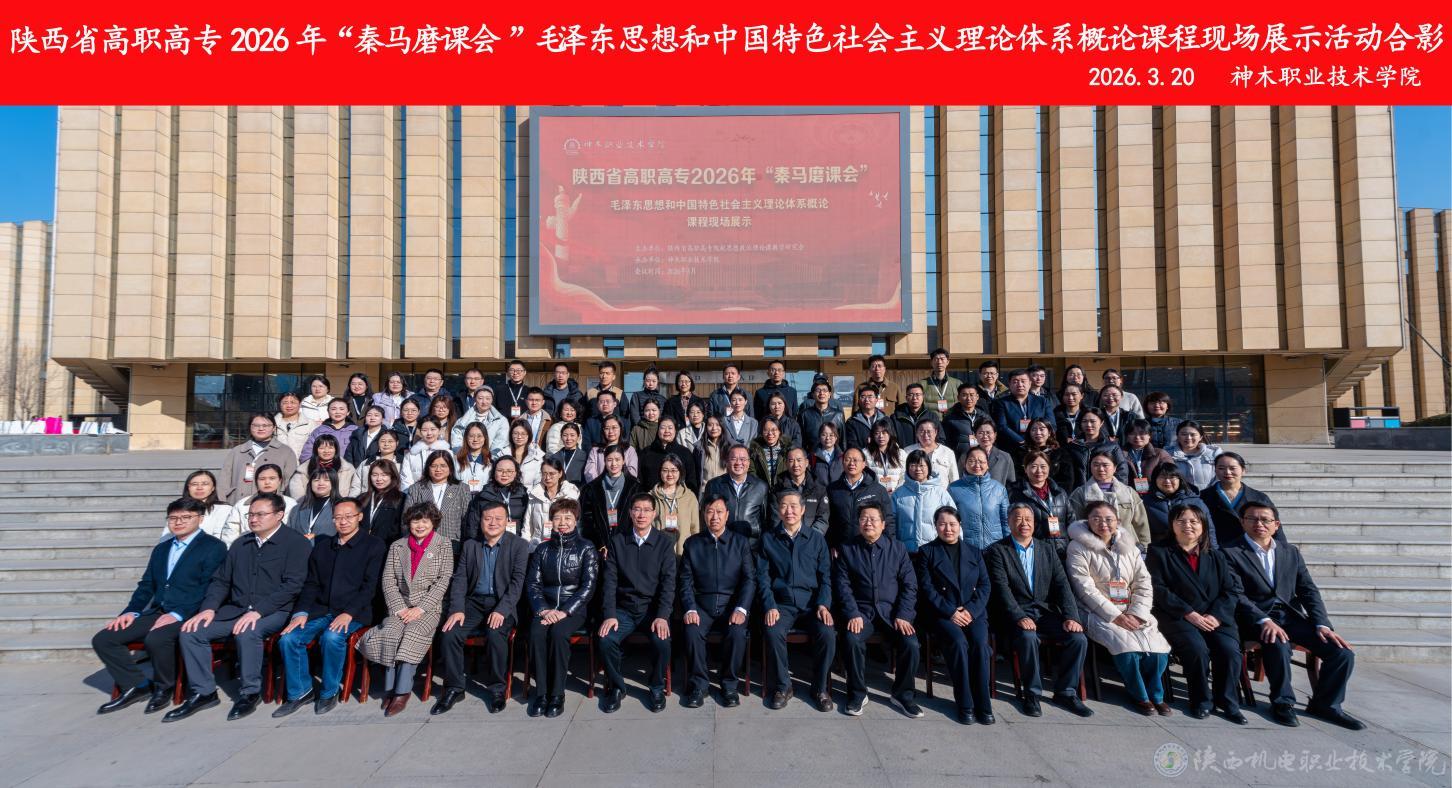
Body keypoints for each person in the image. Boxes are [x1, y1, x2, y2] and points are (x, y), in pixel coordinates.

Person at [165, 492, 310, 723]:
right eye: (250, 514)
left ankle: (250, 692)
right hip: (236, 609)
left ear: (279, 515)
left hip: (275, 611)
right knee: (191, 631)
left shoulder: (296, 543)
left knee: (248, 631)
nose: (253, 519)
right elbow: (221, 581)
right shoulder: (241, 544)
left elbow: (292, 586)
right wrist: (209, 608)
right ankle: (204, 692)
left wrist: (258, 611)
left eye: (260, 514)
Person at [1224, 502, 1363, 729]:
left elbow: (1308, 590)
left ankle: (1326, 705)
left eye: (1265, 519)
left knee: (1341, 652)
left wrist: (1322, 624)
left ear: (1276, 525)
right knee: (1277, 643)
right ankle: (1282, 703)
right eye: (1252, 518)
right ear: (1242, 522)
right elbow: (1235, 593)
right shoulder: (1229, 552)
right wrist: (1264, 620)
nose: (1259, 523)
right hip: (1253, 617)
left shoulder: (1290, 552)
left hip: (1290, 616)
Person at [93, 498, 228, 716]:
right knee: (104, 639)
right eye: (173, 518)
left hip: (192, 613)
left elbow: (209, 586)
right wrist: (130, 612)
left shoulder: (213, 547)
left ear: (200, 519)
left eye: (186, 517)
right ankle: (135, 685)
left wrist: (178, 614)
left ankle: (164, 687)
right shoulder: (162, 549)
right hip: (159, 610)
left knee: (157, 638)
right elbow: (146, 585)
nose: (178, 522)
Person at [273, 498, 387, 717]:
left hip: (354, 612)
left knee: (332, 638)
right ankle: (300, 692)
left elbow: (370, 587)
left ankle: (329, 691)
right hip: (321, 610)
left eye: (348, 516)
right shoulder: (324, 546)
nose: (343, 522)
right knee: (288, 638)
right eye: (338, 517)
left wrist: (348, 613)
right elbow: (311, 584)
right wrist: (301, 613)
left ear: (359, 517)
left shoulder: (374, 545)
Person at [984, 505, 1093, 718]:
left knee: (1078, 638)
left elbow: (1062, 585)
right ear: (1008, 522)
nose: (1024, 523)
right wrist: (1019, 616)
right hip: (1014, 613)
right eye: (1018, 518)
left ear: (1035, 523)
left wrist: (1071, 616)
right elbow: (1001, 588)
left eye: (1028, 519)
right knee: (1028, 637)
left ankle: (1066, 692)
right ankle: (1032, 694)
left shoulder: (1047, 549)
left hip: (1044, 612)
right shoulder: (997, 550)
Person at [1065, 501, 1172, 716]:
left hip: (1132, 609)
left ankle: (1157, 695)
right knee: (1126, 647)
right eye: (1096, 519)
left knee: (1158, 648)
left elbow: (1143, 582)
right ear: (1087, 522)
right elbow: (1084, 588)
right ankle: (1140, 695)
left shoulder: (1129, 547)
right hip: (1097, 611)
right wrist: (1116, 616)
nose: (1103, 523)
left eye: (1108, 519)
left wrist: (1137, 613)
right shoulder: (1077, 547)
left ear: (1118, 521)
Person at [1145, 504, 1247, 723]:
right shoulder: (1158, 552)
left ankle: (1228, 702)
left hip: (1214, 617)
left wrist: (1215, 615)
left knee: (1229, 651)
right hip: (1177, 616)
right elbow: (1158, 588)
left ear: (1203, 525)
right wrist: (1189, 613)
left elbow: (1230, 590)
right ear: (1172, 525)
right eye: (1181, 521)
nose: (1187, 525)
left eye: (1194, 521)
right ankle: (1201, 700)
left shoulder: (1216, 555)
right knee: (1197, 649)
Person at [431, 500, 531, 716]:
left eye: (498, 518)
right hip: (474, 602)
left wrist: (501, 610)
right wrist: (457, 609)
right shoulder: (470, 545)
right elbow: (460, 580)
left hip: (502, 602)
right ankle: (455, 687)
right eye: (488, 518)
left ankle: (497, 689)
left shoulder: (519, 545)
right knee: (449, 633)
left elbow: (517, 583)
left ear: (507, 521)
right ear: (481, 521)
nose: (493, 522)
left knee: (495, 634)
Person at [358, 502, 455, 717]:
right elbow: (388, 580)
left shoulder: (443, 544)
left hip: (428, 609)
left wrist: (420, 608)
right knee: (390, 632)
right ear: (408, 523)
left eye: (425, 521)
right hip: (400, 607)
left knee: (412, 633)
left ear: (433, 522)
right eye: (415, 521)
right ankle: (390, 688)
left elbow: (443, 580)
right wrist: (400, 608)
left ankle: (402, 692)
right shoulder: (398, 546)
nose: (420, 525)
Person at [834, 501, 922, 718]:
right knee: (852, 639)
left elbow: (910, 585)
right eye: (863, 519)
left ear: (883, 524)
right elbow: (842, 586)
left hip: (892, 613)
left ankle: (903, 695)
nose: (868, 523)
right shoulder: (848, 549)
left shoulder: (897, 549)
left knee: (911, 643)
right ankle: (857, 693)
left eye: (873, 519)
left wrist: (904, 615)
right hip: (862, 613)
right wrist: (852, 613)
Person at [598, 493, 678, 713]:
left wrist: (662, 615)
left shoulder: (664, 543)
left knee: (662, 641)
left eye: (646, 510)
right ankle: (617, 687)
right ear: (630, 513)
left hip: (651, 610)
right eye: (637, 509)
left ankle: (656, 686)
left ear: (654, 514)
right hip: (623, 610)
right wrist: (610, 614)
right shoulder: (618, 541)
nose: (641, 514)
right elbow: (609, 582)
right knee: (606, 639)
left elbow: (668, 583)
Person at [756, 491, 835, 711]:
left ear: (802, 510)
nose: (789, 511)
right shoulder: (769, 539)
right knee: (772, 630)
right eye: (784, 506)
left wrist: (823, 605)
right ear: (778, 510)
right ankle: (783, 686)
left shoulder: (816, 539)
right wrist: (770, 605)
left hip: (811, 604)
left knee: (827, 633)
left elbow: (825, 577)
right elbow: (762, 578)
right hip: (782, 604)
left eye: (793, 506)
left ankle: (819, 688)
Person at [918, 506, 995, 725]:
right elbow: (927, 589)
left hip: (973, 613)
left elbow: (985, 586)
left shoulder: (974, 552)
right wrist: (951, 611)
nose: (948, 529)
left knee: (980, 645)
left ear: (960, 525)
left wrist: (970, 610)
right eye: (942, 524)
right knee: (959, 643)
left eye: (952, 524)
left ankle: (984, 705)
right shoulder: (927, 552)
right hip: (943, 613)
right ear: (935, 526)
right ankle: (965, 703)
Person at [679, 494, 756, 708]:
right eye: (710, 511)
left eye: (719, 511)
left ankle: (729, 685)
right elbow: (685, 581)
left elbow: (749, 579)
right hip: (702, 605)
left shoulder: (740, 543)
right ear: (704, 515)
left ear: (727, 515)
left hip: (731, 605)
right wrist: (690, 608)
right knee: (692, 630)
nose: (715, 516)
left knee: (737, 633)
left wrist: (741, 608)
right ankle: (699, 685)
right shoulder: (692, 544)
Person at [525, 498, 598, 717]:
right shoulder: (542, 549)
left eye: (568, 517)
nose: (562, 522)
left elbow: (588, 586)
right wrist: (543, 609)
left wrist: (564, 611)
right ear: (551, 521)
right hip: (546, 608)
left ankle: (557, 694)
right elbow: (533, 584)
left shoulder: (586, 548)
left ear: (576, 520)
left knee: (558, 634)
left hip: (573, 609)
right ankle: (541, 693)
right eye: (557, 518)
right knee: (536, 633)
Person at [1200, 451, 1282, 550]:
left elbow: (1273, 526)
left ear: (1243, 470)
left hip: (1250, 549)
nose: (1227, 472)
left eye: (1232, 468)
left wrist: (1282, 550)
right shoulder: (1203, 497)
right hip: (1215, 549)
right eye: (1221, 468)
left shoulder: (1258, 497)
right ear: (1215, 470)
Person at [1067, 450, 1152, 546]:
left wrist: (1144, 546)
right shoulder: (1080, 493)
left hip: (1128, 546)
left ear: (1115, 468)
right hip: (1094, 547)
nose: (1101, 469)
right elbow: (1076, 524)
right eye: (1096, 465)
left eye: (1105, 465)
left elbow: (1141, 523)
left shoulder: (1129, 492)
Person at [219, 412, 299, 504]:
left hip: (270, 505)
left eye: (265, 425)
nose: (261, 428)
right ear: (250, 427)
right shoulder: (237, 451)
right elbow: (223, 480)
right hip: (237, 502)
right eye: (256, 425)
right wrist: (223, 503)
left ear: (274, 428)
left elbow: (290, 482)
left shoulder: (285, 452)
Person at [825, 447, 896, 549]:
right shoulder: (833, 489)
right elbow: (829, 521)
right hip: (842, 548)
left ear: (864, 464)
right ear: (842, 463)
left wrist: (888, 546)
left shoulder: (877, 490)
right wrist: (832, 545)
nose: (851, 463)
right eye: (847, 459)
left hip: (871, 547)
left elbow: (888, 520)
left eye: (855, 460)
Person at [702, 444, 771, 546]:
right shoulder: (714, 485)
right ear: (727, 461)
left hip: (752, 545)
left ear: (748, 462)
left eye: (743, 459)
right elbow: (706, 516)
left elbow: (766, 520)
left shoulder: (760, 486)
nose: (738, 463)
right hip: (722, 544)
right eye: (733, 459)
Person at [1009, 451, 1072, 558]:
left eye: (1043, 466)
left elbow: (1071, 521)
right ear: (1025, 469)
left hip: (1061, 552)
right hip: (1033, 553)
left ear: (1049, 468)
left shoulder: (1060, 493)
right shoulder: (1016, 494)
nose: (1039, 471)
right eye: (1034, 466)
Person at [946, 446, 1010, 550]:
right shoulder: (954, 489)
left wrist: (1008, 547)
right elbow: (949, 520)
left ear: (987, 464)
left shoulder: (999, 489)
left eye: (981, 461)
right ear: (965, 464)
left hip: (996, 547)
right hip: (966, 547)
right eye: (972, 461)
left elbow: (1006, 521)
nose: (977, 465)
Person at [402, 450, 470, 543]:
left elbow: (467, 520)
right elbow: (406, 519)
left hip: (452, 542)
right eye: (433, 466)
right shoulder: (416, 489)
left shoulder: (462, 488)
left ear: (450, 468)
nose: (438, 469)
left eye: (443, 466)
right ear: (428, 468)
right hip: (421, 543)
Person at [580, 445, 641, 549]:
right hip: (599, 546)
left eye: (617, 459)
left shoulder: (635, 487)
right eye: (609, 460)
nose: (614, 464)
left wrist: (624, 543)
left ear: (623, 461)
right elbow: (588, 520)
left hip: (626, 545)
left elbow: (636, 517)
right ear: (604, 461)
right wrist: (601, 544)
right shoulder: (592, 488)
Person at [892, 450, 953, 552]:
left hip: (934, 551)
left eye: (921, 465)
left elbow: (953, 519)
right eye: (913, 465)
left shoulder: (940, 493)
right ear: (907, 468)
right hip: (906, 552)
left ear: (929, 467)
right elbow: (891, 523)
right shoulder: (898, 494)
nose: (918, 469)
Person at [1054, 409, 1128, 492]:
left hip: (1106, 492)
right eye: (1084, 421)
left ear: (1101, 423)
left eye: (1093, 421)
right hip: (1079, 493)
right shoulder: (1072, 447)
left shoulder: (1112, 447)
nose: (1088, 425)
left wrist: (1117, 491)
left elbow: (1122, 472)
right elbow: (1065, 475)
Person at [223, 463, 298, 541]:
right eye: (262, 479)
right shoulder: (242, 504)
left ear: (280, 481)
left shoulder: (291, 504)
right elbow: (230, 532)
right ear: (256, 481)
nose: (267, 482)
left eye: (272, 478)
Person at [1141, 465, 1209, 545]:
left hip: (1192, 547)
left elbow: (1208, 529)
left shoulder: (1194, 500)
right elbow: (1141, 529)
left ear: (1180, 479)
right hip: (1161, 548)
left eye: (1172, 477)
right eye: (1162, 477)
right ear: (1155, 479)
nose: (1167, 481)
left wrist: (1212, 550)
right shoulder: (1146, 502)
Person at [770, 446, 830, 536]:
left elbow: (822, 519)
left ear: (806, 462)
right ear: (786, 464)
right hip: (785, 539)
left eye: (799, 460)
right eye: (791, 461)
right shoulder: (778, 489)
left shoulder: (819, 489)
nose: (795, 464)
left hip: (812, 539)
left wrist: (810, 538)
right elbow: (776, 519)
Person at [523, 457, 580, 549]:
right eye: (544, 473)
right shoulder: (534, 494)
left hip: (564, 546)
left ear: (560, 474)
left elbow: (577, 523)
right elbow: (527, 525)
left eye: (552, 473)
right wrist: (526, 547)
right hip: (538, 547)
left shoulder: (570, 494)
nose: (547, 477)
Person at [994, 369, 1055, 453]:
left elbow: (1051, 424)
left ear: (1030, 383)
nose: (1020, 384)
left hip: (1040, 448)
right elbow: (1002, 426)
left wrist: (1038, 440)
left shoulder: (1042, 401)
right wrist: (1022, 442)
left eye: (1023, 381)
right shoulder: (1001, 403)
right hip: (1013, 448)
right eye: (1015, 382)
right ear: (1009, 384)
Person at [172, 469, 238, 546]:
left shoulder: (224, 509)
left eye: (205, 484)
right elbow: (168, 536)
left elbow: (225, 539)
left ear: (213, 488)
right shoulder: (178, 509)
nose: (199, 488)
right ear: (188, 488)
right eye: (194, 484)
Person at [650, 455, 700, 554]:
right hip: (658, 552)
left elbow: (695, 528)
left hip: (684, 553)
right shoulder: (651, 497)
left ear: (680, 472)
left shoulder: (689, 497)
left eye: (674, 470)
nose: (669, 474)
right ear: (660, 472)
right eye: (665, 470)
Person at [637, 416, 700, 494]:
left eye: (670, 428)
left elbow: (691, 480)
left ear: (675, 430)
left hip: (679, 498)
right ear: (658, 430)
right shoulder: (646, 452)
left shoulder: (685, 453)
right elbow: (640, 479)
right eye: (663, 428)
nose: (666, 431)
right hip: (651, 497)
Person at [473, 456, 531, 537]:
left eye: (509, 471)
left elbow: (528, 524)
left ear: (516, 473)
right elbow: (473, 524)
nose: (504, 474)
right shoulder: (484, 495)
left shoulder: (523, 494)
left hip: (515, 541)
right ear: (494, 472)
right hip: (489, 541)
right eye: (500, 470)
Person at [287, 433, 357, 500]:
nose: (326, 451)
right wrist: (305, 504)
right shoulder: (303, 470)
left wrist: (345, 503)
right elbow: (296, 491)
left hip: (340, 505)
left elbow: (354, 489)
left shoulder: (348, 469)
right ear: (316, 450)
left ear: (336, 450)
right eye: (322, 448)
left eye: (330, 448)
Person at [453, 386, 510, 456]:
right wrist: (462, 455)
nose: (484, 402)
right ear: (475, 399)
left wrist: (489, 457)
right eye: (480, 398)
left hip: (491, 458)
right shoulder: (463, 420)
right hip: (466, 457)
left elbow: (500, 442)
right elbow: (456, 439)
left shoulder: (501, 421)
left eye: (488, 398)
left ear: (492, 400)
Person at [360, 458, 406, 544]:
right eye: (374, 475)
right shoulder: (362, 498)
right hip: (363, 545)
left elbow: (401, 528)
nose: (379, 479)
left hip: (388, 546)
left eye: (384, 475)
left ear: (392, 476)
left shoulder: (401, 498)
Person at [299, 398, 359, 464]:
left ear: (348, 412)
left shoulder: (356, 430)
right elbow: (307, 453)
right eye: (333, 409)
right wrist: (316, 466)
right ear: (328, 412)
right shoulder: (319, 430)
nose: (337, 412)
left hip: (348, 468)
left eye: (341, 409)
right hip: (322, 468)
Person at [1120, 419, 1173, 495]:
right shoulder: (1119, 454)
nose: (1137, 437)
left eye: (1142, 433)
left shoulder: (1160, 454)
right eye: (1132, 433)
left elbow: (1171, 474)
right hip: (1128, 495)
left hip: (1155, 495)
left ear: (1149, 436)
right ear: (1127, 436)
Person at [286, 468, 340, 540]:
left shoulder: (340, 506)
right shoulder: (297, 508)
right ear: (310, 483)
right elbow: (289, 533)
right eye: (316, 480)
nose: (321, 483)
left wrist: (316, 537)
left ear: (334, 483)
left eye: (326, 480)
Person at [583, 415, 638, 482]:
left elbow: (632, 472)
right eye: (607, 428)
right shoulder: (595, 450)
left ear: (621, 428)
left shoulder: (629, 450)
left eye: (614, 427)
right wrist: (601, 485)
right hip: (599, 486)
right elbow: (589, 472)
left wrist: (617, 484)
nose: (610, 431)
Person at [1170, 420, 1223, 491]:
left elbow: (1221, 477)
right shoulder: (1167, 454)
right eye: (1184, 434)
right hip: (1179, 497)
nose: (1188, 438)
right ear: (1177, 436)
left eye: (1193, 435)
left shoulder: (1213, 453)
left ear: (1200, 437)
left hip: (1209, 496)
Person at [400, 419, 453, 488]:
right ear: (420, 432)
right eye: (424, 430)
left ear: (439, 430)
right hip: (416, 492)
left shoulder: (448, 453)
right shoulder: (411, 455)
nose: (429, 433)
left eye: (433, 429)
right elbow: (406, 479)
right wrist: (412, 493)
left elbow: (452, 477)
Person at [798, 378, 845, 453]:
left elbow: (843, 441)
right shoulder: (804, 415)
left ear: (829, 394)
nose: (821, 393)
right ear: (813, 394)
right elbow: (801, 441)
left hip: (834, 456)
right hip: (812, 456)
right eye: (818, 390)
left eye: (824, 390)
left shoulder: (838, 415)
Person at [905, 419, 958, 485]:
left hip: (942, 490)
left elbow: (954, 478)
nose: (925, 435)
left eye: (929, 431)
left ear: (935, 432)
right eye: (922, 431)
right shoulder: (908, 451)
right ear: (916, 433)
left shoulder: (948, 452)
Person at [890, 383, 942, 450]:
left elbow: (940, 438)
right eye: (911, 395)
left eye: (918, 395)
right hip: (905, 453)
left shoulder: (932, 417)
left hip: (927, 454)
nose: (914, 398)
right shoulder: (896, 418)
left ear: (923, 397)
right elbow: (892, 440)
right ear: (906, 398)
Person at [943, 383, 990, 456]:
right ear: (958, 397)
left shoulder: (985, 417)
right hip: (960, 457)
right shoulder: (950, 418)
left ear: (977, 397)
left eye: (972, 395)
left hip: (983, 457)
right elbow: (946, 442)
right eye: (964, 395)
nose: (968, 398)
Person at [971, 418, 1017, 487]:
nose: (985, 436)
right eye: (981, 433)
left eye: (988, 432)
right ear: (975, 436)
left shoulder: (1005, 457)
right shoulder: (967, 456)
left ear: (995, 435)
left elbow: (1011, 484)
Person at [918, 347, 965, 415]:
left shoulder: (957, 383)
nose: (939, 362)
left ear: (947, 362)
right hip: (931, 420)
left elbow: (963, 403)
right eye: (936, 359)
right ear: (931, 362)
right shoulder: (922, 384)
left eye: (942, 359)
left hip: (952, 419)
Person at [865, 421, 908, 494]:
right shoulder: (866, 453)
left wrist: (897, 492)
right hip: (875, 495)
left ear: (890, 434)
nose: (881, 436)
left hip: (897, 494)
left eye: (884, 433)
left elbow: (904, 475)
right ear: (872, 435)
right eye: (877, 433)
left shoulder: (901, 453)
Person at [503, 419, 546, 489]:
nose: (519, 437)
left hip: (528, 494)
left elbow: (539, 481)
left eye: (523, 434)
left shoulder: (536, 455)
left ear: (529, 435)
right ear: (511, 435)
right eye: (516, 433)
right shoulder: (503, 453)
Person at [843, 384, 887, 451]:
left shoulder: (886, 420)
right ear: (859, 400)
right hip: (861, 456)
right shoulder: (852, 422)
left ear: (876, 399)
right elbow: (851, 444)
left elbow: (892, 440)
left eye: (870, 397)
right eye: (863, 397)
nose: (867, 400)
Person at [748, 417, 791, 485]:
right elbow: (751, 471)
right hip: (761, 488)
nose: (770, 433)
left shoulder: (788, 449)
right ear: (762, 432)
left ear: (779, 431)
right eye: (766, 430)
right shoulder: (755, 449)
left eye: (774, 430)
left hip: (784, 487)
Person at [453, 422, 493, 495]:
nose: (475, 439)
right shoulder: (456, 459)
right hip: (461, 498)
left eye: (479, 436)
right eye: (471, 436)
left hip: (483, 499)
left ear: (485, 438)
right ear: (466, 438)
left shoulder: (491, 460)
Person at [273, 392, 316, 460]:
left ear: (300, 404)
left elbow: (315, 447)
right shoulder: (272, 424)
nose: (289, 405)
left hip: (302, 464)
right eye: (285, 403)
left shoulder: (310, 424)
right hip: (277, 463)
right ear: (279, 404)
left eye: (293, 402)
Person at [695, 414, 730, 487]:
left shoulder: (730, 447)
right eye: (710, 425)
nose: (714, 428)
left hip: (725, 489)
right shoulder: (699, 448)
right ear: (706, 427)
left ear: (722, 426)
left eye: (717, 425)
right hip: (706, 490)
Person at [810, 421, 846, 488]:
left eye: (831, 435)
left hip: (838, 491)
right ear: (819, 437)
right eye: (824, 435)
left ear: (836, 437)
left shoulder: (843, 456)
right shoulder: (812, 456)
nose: (828, 438)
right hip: (819, 493)